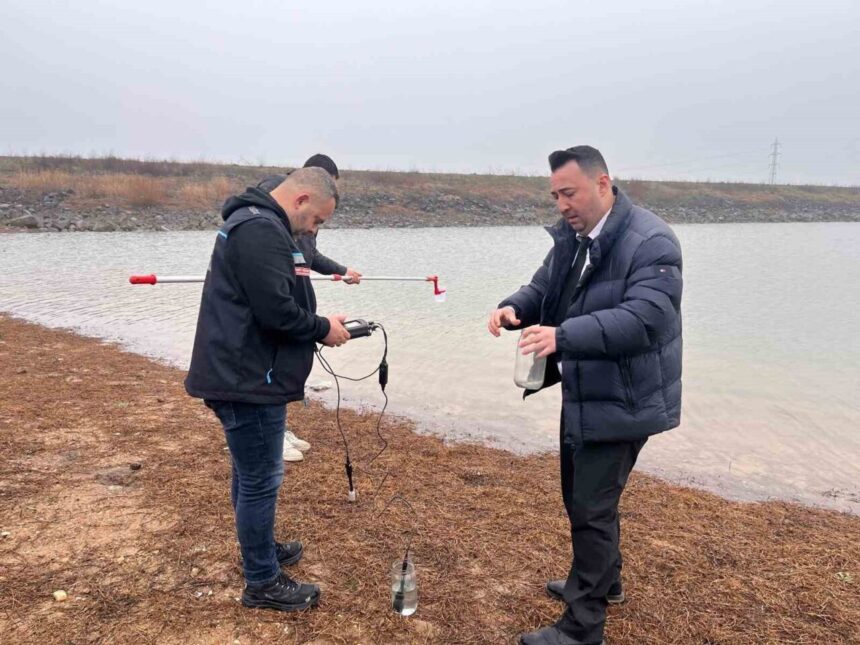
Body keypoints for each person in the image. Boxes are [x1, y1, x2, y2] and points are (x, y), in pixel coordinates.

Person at [488, 146, 683, 645]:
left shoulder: (652, 241)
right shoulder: (574, 239)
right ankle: (604, 582)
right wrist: (514, 307)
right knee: (584, 501)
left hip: (626, 399)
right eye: (555, 195)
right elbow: (544, 288)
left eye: (569, 193)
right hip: (584, 389)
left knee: (591, 507)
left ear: (603, 184)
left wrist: (562, 336)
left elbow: (646, 318)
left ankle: (582, 628)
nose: (561, 205)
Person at [185, 167, 351, 612]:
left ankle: (259, 550)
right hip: (246, 377)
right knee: (261, 479)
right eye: (316, 221)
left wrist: (318, 320)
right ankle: (262, 581)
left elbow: (275, 298)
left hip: (245, 372)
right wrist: (323, 329)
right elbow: (275, 312)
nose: (314, 230)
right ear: (300, 200)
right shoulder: (260, 230)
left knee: (250, 472)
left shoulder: (260, 224)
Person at [256, 154, 362, 461]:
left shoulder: (305, 217)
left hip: (292, 298)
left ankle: (278, 430)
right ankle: (270, 436)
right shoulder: (274, 200)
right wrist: (321, 328)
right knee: (269, 368)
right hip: (277, 295)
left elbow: (309, 255)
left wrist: (340, 271)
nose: (314, 228)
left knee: (285, 366)